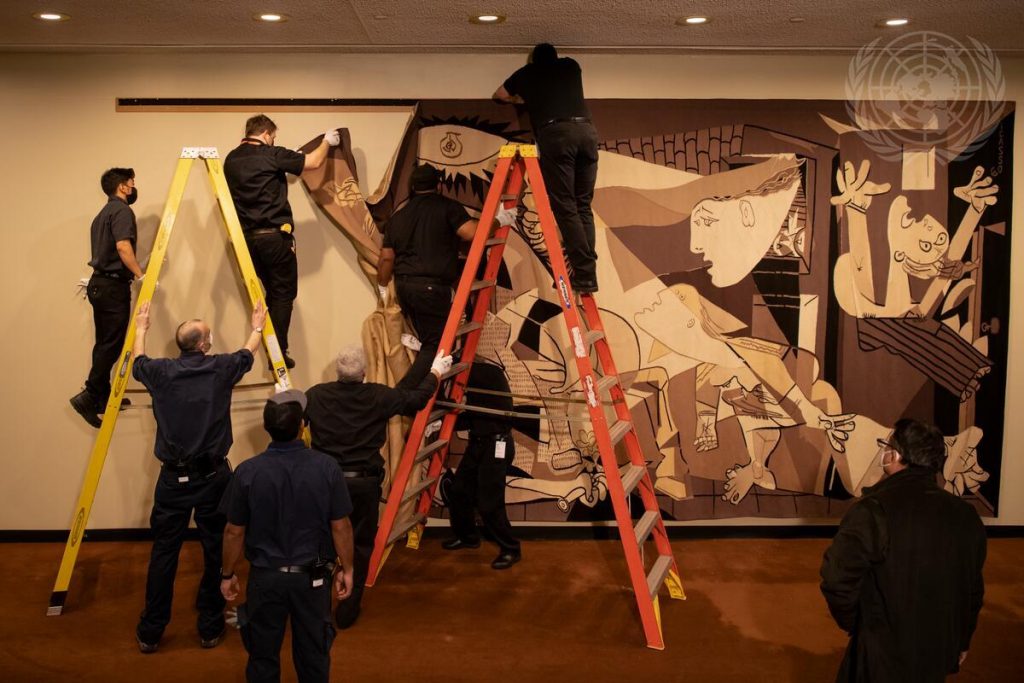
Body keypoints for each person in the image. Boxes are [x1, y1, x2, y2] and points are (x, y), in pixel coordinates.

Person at [132, 300, 267, 653]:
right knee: (215, 550)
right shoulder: (219, 369)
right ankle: (209, 626)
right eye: (209, 335)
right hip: (212, 479)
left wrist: (141, 328)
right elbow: (247, 353)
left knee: (164, 553)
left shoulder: (161, 372)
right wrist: (257, 326)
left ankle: (151, 631)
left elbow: (137, 362)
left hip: (172, 480)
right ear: (204, 345)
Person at [820, 418, 987, 682]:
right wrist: (961, 639)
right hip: (938, 651)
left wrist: (862, 626)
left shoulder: (872, 510)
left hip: (880, 657)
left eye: (886, 446)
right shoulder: (967, 515)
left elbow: (837, 579)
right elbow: (972, 589)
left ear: (894, 455)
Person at [305, 345, 453, 628]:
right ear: (364, 373)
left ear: (338, 372)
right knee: (362, 544)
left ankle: (318, 605)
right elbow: (416, 400)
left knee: (322, 542)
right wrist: (436, 371)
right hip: (363, 485)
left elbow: (291, 416)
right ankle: (349, 606)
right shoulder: (379, 395)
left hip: (326, 483)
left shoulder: (315, 395)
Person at [220, 389, 355, 683]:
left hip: (265, 579)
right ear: (301, 426)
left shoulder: (247, 472)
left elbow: (233, 531)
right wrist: (347, 568)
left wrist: (227, 574)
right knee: (314, 654)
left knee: (262, 654)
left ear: (266, 427)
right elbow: (341, 526)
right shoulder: (327, 468)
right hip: (312, 580)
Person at [376, 164, 515, 385]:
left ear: (413, 187)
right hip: (431, 289)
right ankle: (403, 395)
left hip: (405, 288)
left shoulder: (398, 217)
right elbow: (472, 232)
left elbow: (386, 258)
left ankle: (425, 399)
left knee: (427, 343)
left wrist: (383, 286)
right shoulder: (447, 207)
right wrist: (500, 220)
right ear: (439, 186)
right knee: (436, 347)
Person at [224, 114, 338, 369]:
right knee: (283, 294)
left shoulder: (231, 159)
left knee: (272, 294)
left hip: (247, 241)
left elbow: (262, 180)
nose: (273, 140)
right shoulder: (272, 154)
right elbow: (314, 161)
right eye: (273, 136)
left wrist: (289, 160)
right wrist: (327, 141)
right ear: (266, 134)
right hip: (275, 238)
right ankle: (277, 351)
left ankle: (270, 344)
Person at [494, 42, 600, 293]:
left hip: (557, 134)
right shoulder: (571, 66)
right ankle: (586, 272)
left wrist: (522, 98)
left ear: (533, 60)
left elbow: (499, 95)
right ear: (556, 56)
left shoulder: (526, 73)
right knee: (583, 204)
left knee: (565, 206)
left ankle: (584, 271)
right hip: (587, 132)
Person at [70, 167, 145, 427]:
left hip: (100, 284)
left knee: (105, 343)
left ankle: (101, 395)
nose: (134, 187)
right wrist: (140, 275)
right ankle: (90, 395)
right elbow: (122, 246)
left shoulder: (102, 214)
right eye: (131, 183)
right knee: (112, 343)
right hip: (112, 287)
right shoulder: (122, 211)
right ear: (122, 186)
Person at [442, 361, 521, 569]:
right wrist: (440, 421)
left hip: (497, 444)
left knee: (489, 502)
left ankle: (511, 549)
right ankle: (468, 537)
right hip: (478, 442)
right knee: (459, 491)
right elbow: (472, 417)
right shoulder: (474, 383)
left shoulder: (488, 374)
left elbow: (494, 414)